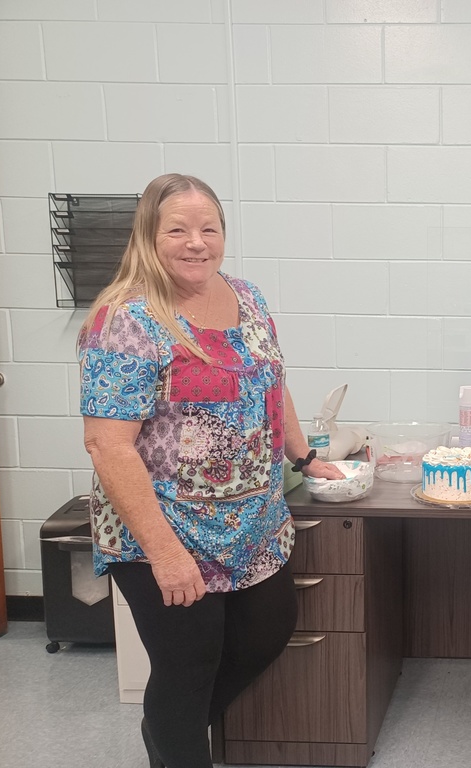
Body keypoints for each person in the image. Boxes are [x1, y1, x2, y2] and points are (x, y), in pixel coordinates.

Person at [78, 173, 344, 768]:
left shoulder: (246, 297)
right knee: (188, 664)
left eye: (209, 228)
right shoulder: (125, 319)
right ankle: (177, 747)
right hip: (166, 528)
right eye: (177, 229)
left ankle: (171, 732)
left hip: (252, 520)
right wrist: (166, 554)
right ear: (149, 235)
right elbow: (106, 445)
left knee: (265, 635)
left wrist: (304, 457)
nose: (196, 242)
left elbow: (273, 384)